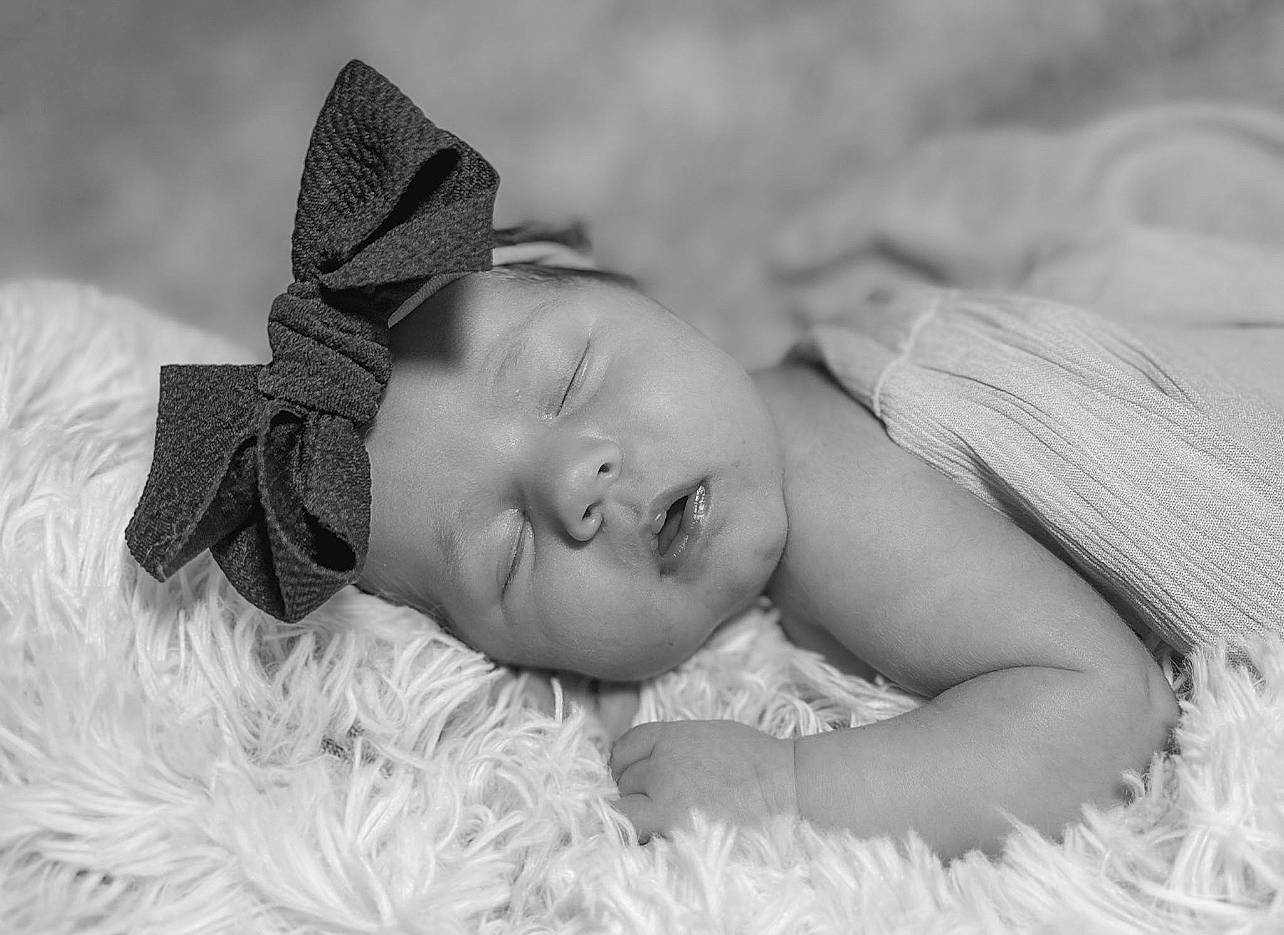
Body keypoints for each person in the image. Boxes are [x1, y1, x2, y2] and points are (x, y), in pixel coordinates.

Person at [126, 62, 1284, 860]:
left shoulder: (837, 482)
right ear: (498, 656)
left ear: (659, 301)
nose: (575, 480)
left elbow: (1099, 705)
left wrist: (790, 789)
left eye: (571, 380)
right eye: (512, 547)